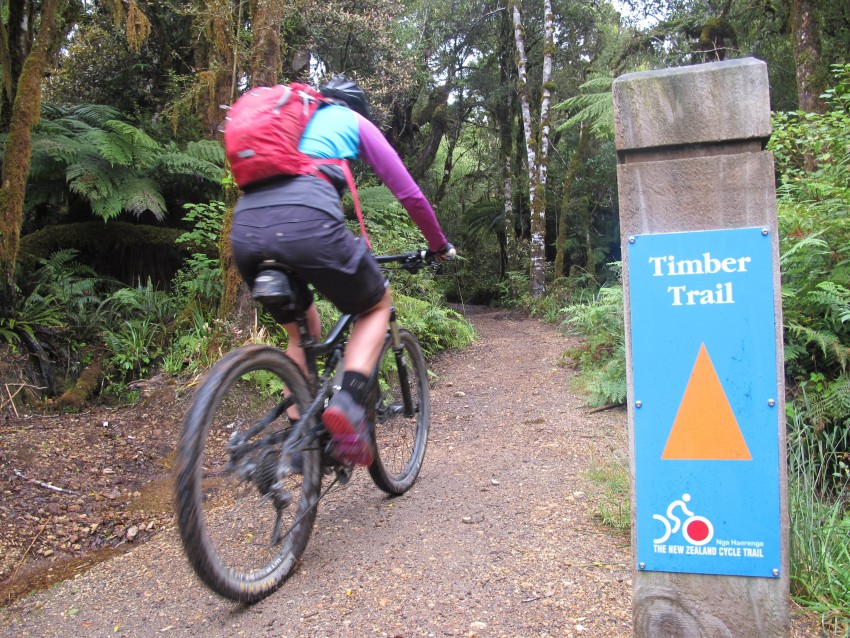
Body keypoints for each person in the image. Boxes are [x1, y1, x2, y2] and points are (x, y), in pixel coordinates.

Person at [229, 76, 453, 467]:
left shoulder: (288, 122)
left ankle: (301, 444)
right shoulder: (351, 121)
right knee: (376, 306)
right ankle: (348, 403)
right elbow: (409, 194)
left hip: (246, 229)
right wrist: (438, 244)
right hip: (307, 221)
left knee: (303, 335)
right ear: (356, 107)